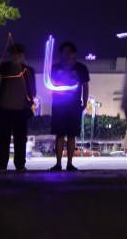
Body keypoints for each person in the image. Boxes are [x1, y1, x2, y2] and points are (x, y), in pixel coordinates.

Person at [0, 44, 36, 172]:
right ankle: (1, 164)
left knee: (20, 138)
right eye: (14, 54)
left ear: (22, 56)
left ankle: (20, 164)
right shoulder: (4, 67)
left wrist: (28, 102)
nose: (16, 56)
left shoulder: (28, 70)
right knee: (2, 138)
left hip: (20, 109)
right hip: (4, 107)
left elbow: (33, 90)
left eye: (18, 54)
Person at [48, 42, 90, 171]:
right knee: (59, 134)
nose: (67, 54)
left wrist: (84, 102)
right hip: (59, 105)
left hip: (74, 105)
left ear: (74, 53)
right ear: (61, 54)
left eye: (69, 52)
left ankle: (70, 163)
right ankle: (58, 163)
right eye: (64, 52)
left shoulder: (81, 68)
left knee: (72, 134)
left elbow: (85, 85)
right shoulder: (55, 67)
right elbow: (51, 83)